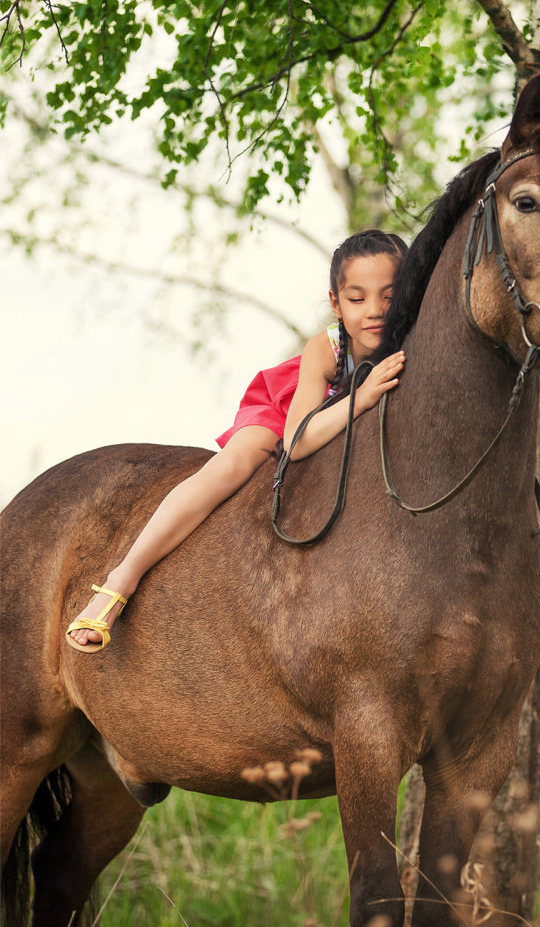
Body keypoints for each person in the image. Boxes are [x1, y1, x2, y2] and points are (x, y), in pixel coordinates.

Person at [66, 229, 408, 653]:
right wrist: (364, 396)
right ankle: (121, 579)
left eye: (389, 297)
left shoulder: (414, 337)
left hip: (349, 406)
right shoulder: (327, 347)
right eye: (357, 300)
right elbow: (297, 441)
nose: (374, 311)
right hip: (292, 408)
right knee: (232, 467)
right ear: (336, 303)